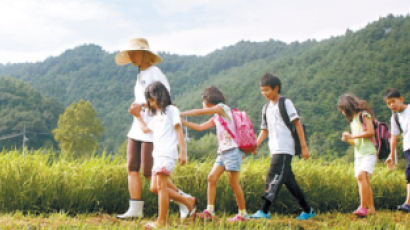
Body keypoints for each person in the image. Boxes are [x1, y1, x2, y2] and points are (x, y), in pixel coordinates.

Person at [115, 38, 191, 219]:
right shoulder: (140, 75)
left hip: (153, 126)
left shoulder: (155, 73)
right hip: (138, 124)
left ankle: (184, 199)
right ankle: (135, 208)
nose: (132, 57)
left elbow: (163, 100)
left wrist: (141, 109)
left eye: (134, 53)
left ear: (145, 54)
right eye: (130, 54)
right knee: (132, 166)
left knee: (150, 172)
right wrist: (138, 112)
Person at [130, 81, 196, 229]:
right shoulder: (156, 116)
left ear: (160, 96)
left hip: (167, 154)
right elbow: (146, 130)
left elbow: (179, 131)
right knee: (155, 187)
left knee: (161, 187)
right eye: (149, 101)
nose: (151, 103)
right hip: (158, 156)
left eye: (152, 99)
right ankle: (187, 201)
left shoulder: (171, 110)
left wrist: (183, 152)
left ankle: (161, 222)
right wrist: (137, 116)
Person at [249, 73, 315, 220]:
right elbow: (264, 131)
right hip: (274, 148)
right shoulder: (265, 108)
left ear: (276, 88)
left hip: (285, 148)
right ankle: (308, 210)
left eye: (267, 90)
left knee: (272, 176)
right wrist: (256, 145)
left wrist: (304, 147)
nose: (264, 93)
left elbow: (297, 124)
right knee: (289, 181)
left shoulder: (285, 103)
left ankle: (264, 211)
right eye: (262, 91)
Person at [180, 86, 248, 222]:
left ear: (208, 100)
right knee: (211, 178)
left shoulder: (222, 108)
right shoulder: (217, 116)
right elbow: (200, 127)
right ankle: (209, 211)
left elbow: (201, 112)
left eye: (203, 101)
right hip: (222, 153)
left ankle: (243, 214)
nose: (202, 104)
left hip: (233, 151)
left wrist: (182, 113)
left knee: (234, 183)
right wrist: (181, 122)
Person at [338, 93, 377, 217]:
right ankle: (371, 209)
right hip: (359, 153)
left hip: (369, 152)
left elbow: (370, 132)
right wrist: (347, 139)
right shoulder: (353, 121)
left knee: (361, 176)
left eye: (342, 109)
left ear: (347, 106)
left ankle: (362, 207)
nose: (342, 112)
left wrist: (352, 135)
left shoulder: (363, 114)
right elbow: (356, 142)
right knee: (362, 179)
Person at [384, 88, 410, 212]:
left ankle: (408, 204)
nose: (391, 105)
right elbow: (393, 138)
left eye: (393, 101)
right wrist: (391, 155)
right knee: (409, 172)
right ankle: (408, 204)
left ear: (401, 99)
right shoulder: (394, 118)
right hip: (408, 147)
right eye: (388, 103)